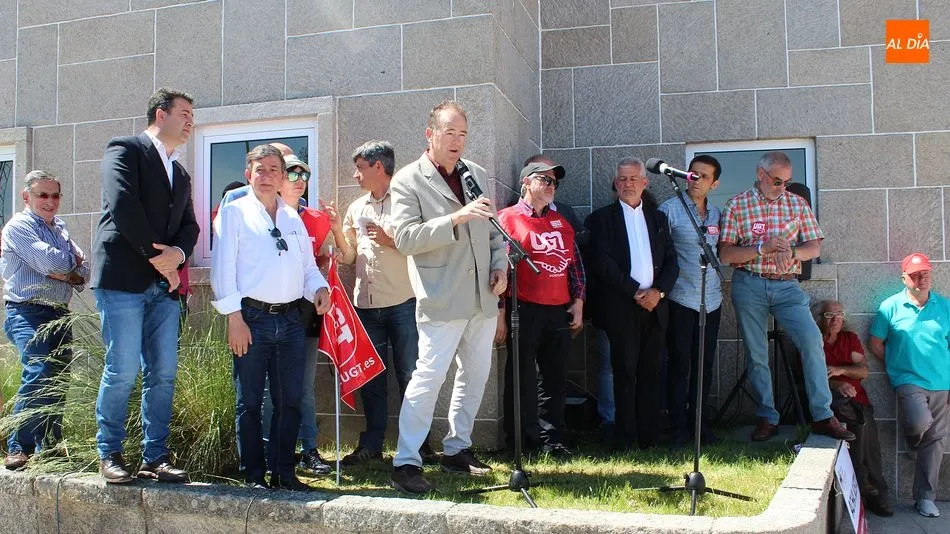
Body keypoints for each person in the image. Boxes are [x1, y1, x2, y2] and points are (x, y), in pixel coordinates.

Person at [388, 100, 507, 494]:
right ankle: (406, 461)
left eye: (463, 134)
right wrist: (455, 218)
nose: (457, 141)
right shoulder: (407, 180)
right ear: (430, 134)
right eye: (449, 132)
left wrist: (500, 265)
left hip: (483, 295)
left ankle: (458, 449)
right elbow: (405, 238)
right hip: (442, 295)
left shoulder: (476, 173)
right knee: (429, 377)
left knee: (475, 375)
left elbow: (494, 231)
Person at [92, 88, 199, 484]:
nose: (190, 121)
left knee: (164, 372)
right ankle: (110, 453)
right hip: (123, 280)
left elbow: (191, 226)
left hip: (164, 290)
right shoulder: (125, 149)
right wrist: (161, 260)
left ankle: (155, 457)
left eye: (193, 115)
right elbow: (123, 206)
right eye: (185, 113)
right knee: (121, 369)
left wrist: (179, 255)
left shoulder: (181, 172)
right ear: (161, 113)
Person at [211, 144, 330, 491]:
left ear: (282, 176)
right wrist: (234, 318)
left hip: (291, 321)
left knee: (289, 400)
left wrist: (319, 289)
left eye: (273, 170)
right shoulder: (233, 213)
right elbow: (222, 272)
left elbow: (308, 269)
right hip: (250, 319)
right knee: (249, 402)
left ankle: (284, 473)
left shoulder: (293, 218)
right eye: (259, 169)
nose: (266, 176)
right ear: (249, 174)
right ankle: (252, 476)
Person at [718, 151, 854, 443]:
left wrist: (792, 252)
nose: (783, 187)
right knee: (756, 353)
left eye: (788, 182)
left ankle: (822, 415)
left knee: (811, 340)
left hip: (788, 286)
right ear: (761, 174)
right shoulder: (737, 205)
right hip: (750, 283)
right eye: (778, 181)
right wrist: (761, 249)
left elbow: (814, 247)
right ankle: (768, 416)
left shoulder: (797, 203)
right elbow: (726, 253)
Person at [334, 140, 436, 466]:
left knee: (411, 375)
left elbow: (427, 246)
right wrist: (337, 234)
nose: (355, 175)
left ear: (379, 167)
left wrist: (392, 240)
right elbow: (350, 256)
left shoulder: (408, 201)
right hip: (365, 305)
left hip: (404, 302)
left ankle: (419, 446)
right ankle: (372, 446)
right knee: (371, 378)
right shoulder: (356, 208)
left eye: (360, 168)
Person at [584, 157, 678, 450]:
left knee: (651, 372)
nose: (627, 184)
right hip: (621, 309)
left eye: (633, 179)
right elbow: (602, 263)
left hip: (655, 308)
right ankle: (624, 436)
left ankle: (649, 437)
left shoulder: (659, 219)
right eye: (622, 179)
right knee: (623, 373)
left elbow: (672, 262)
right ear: (615, 183)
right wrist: (636, 291)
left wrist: (658, 292)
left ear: (644, 182)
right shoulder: (600, 219)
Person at [1, 170, 89, 470]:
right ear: (27, 196)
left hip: (58, 312)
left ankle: (49, 445)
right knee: (39, 371)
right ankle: (19, 446)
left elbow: (84, 270)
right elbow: (53, 262)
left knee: (58, 379)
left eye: (54, 195)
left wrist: (65, 269)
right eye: (42, 195)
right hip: (27, 310)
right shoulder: (19, 226)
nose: (50, 202)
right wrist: (66, 266)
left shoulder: (59, 228)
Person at [497, 161, 585, 459]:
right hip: (523, 308)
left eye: (553, 183)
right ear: (526, 183)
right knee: (520, 377)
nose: (550, 186)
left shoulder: (562, 222)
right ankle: (520, 441)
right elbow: (497, 269)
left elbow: (575, 266)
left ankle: (553, 441)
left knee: (555, 379)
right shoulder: (507, 219)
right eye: (544, 180)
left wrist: (579, 301)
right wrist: (499, 311)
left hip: (558, 309)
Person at [259, 153, 333, 476]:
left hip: (306, 314)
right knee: (268, 389)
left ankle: (309, 450)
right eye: (292, 173)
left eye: (305, 174)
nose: (300, 180)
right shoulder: (258, 214)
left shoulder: (314, 219)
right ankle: (265, 450)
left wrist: (324, 275)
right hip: (268, 313)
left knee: (303, 386)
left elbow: (321, 263)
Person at [869, 253, 949, 518]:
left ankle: (925, 498)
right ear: (904, 278)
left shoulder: (944, 306)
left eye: (925, 273)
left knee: (936, 441)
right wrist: (895, 365)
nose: (921, 278)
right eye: (915, 274)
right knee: (918, 424)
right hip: (907, 380)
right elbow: (876, 342)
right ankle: (914, 441)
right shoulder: (889, 306)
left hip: (941, 382)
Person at [658, 155, 723, 447]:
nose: (695, 180)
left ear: (714, 183)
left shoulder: (718, 214)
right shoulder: (669, 209)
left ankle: (700, 425)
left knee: (704, 364)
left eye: (704, 176)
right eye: (692, 174)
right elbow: (659, 255)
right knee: (680, 363)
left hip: (712, 299)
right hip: (680, 298)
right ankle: (676, 427)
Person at [814, 300, 893, 517]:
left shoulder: (850, 339)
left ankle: (870, 487)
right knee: (859, 424)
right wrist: (836, 384)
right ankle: (869, 489)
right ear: (819, 318)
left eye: (840, 314)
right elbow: (806, 376)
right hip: (829, 403)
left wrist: (839, 370)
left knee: (867, 436)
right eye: (830, 315)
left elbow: (863, 371)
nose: (837, 318)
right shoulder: (812, 341)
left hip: (857, 401)